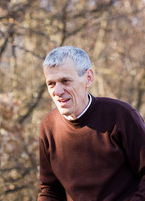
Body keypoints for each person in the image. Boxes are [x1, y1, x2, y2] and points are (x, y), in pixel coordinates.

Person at [38, 46, 145, 201]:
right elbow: (50, 190)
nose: (57, 91)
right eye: (51, 84)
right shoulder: (48, 126)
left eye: (65, 81)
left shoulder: (121, 116)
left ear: (88, 78)